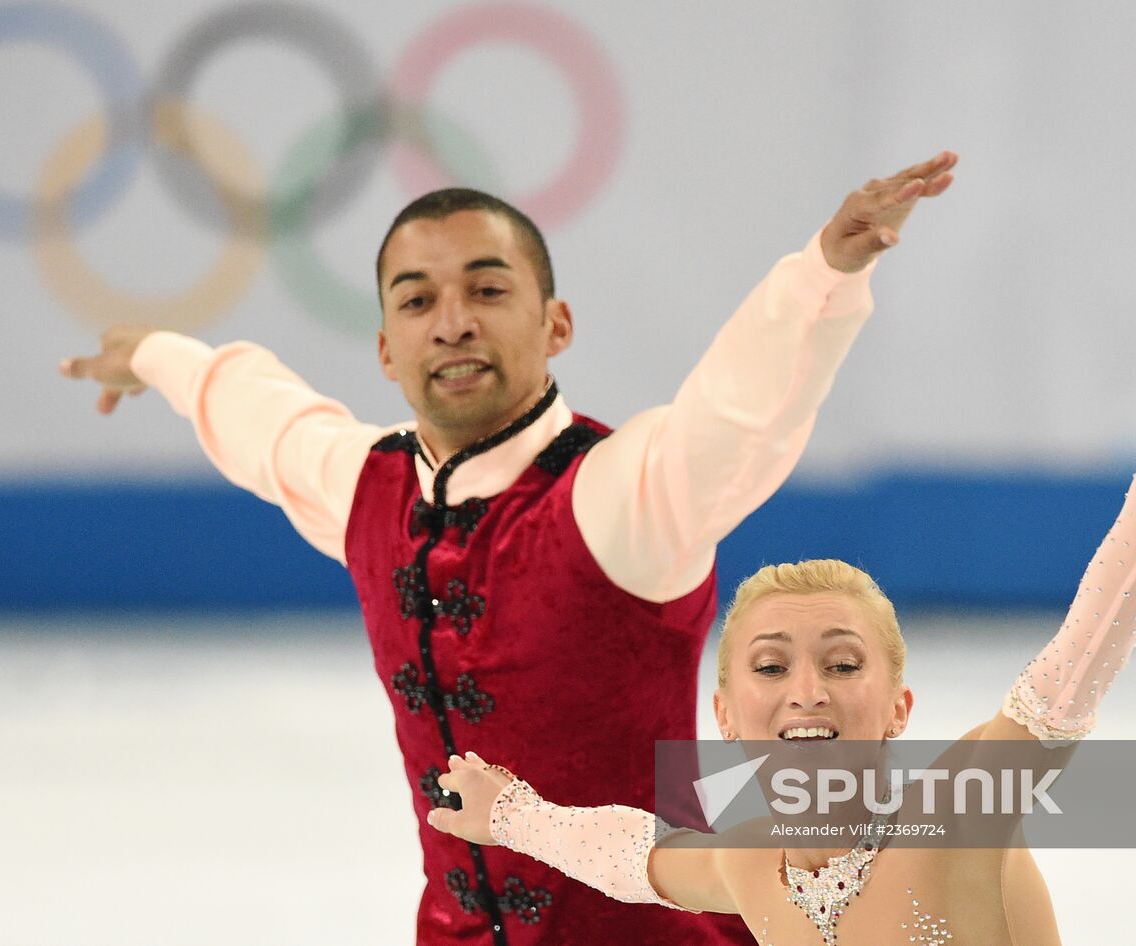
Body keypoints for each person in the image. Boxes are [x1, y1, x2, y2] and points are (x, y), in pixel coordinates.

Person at [58, 152, 957, 945]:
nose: (452, 322)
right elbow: (257, 411)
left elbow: (739, 411)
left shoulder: (616, 498)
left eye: (487, 291)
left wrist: (825, 274)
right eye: (419, 300)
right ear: (386, 348)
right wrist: (153, 355)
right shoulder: (365, 487)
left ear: (555, 324)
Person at [428, 323, 1136, 945]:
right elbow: (633, 853)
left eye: (843, 663)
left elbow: (1081, 660)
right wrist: (513, 814)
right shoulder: (748, 861)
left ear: (897, 708)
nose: (807, 691)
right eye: (772, 667)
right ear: (725, 716)